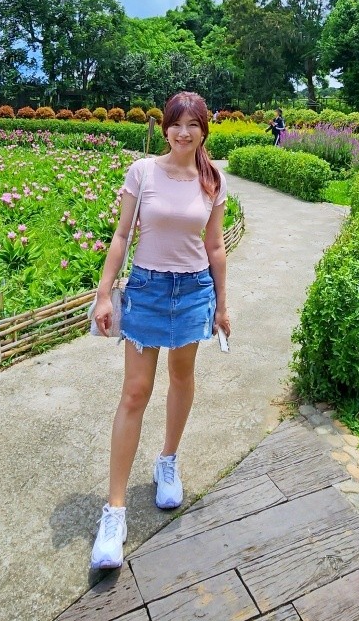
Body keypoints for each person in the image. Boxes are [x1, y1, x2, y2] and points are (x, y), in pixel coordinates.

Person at [88, 90, 230, 570]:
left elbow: (214, 249)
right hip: (147, 289)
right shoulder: (142, 172)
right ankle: (115, 511)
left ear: (204, 130)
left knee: (183, 377)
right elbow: (122, 235)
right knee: (134, 392)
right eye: (176, 123)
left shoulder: (212, 181)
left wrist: (222, 306)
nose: (183, 132)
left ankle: (167, 461)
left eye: (193, 124)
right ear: (165, 127)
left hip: (193, 292)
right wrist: (105, 293)